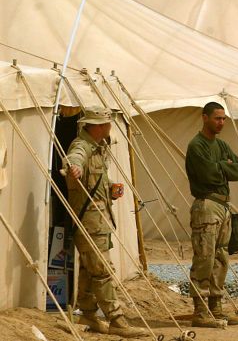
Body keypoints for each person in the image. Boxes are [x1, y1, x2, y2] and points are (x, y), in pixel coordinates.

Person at [65, 107, 145, 338]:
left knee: (90, 270)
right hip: (89, 220)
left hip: (100, 219)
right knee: (102, 269)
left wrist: (110, 188)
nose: (110, 127)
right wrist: (74, 167)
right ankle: (117, 320)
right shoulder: (82, 146)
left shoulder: (99, 149)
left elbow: (95, 179)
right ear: (99, 126)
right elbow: (74, 158)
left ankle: (88, 313)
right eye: (108, 123)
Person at [185, 102, 238, 328]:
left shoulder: (221, 145)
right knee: (204, 257)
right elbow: (208, 175)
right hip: (207, 204)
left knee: (220, 257)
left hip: (223, 205)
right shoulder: (197, 145)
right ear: (205, 118)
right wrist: (222, 167)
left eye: (223, 119)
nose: (221, 123)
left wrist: (220, 166)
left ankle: (215, 307)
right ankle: (200, 310)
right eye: (217, 118)